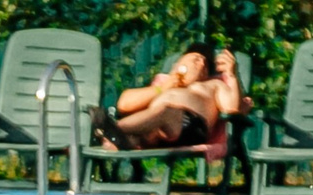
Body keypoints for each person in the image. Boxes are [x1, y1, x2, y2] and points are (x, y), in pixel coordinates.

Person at [99, 49, 249, 151]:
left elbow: (230, 109)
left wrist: (230, 74)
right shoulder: (164, 84)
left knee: (166, 111)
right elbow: (124, 104)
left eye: (205, 65)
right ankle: (113, 138)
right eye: (195, 59)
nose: (202, 64)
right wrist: (164, 87)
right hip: (157, 130)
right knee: (137, 136)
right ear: (177, 65)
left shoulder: (213, 85)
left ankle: (110, 129)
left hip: (191, 127)